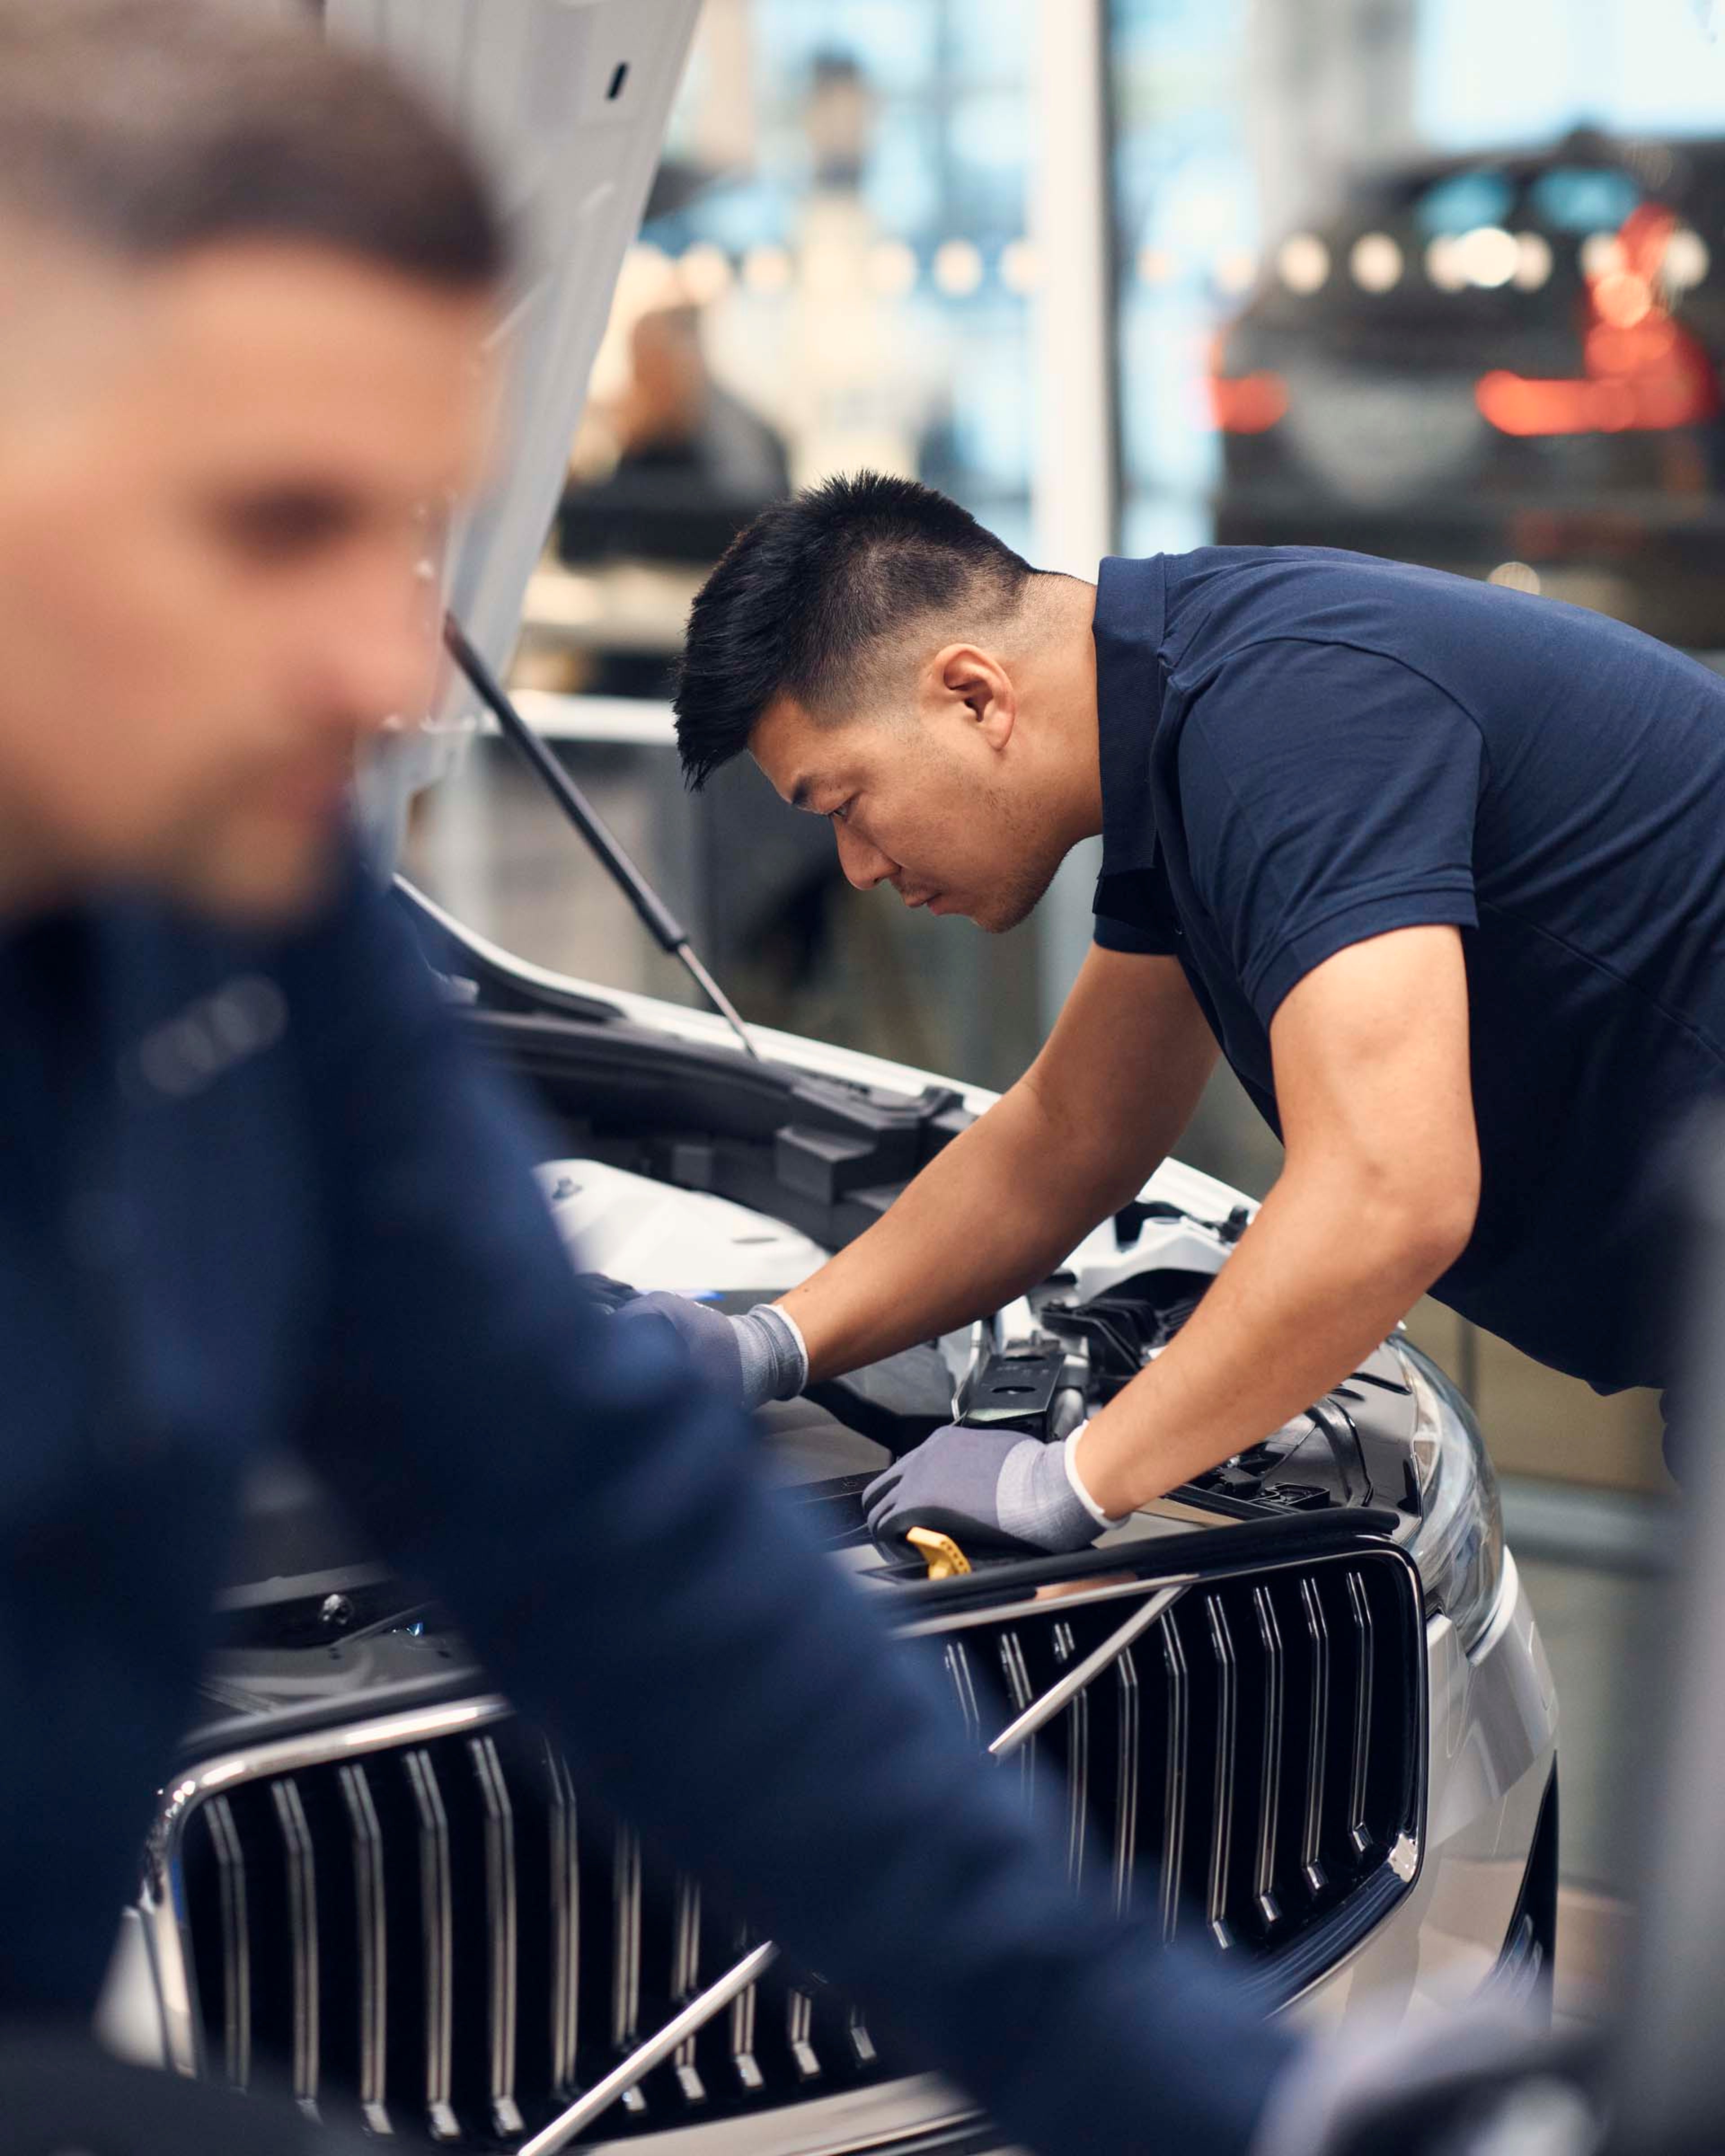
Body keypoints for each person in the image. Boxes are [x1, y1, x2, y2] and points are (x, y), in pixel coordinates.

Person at [0, 4, 1307, 2152]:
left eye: (410, 537)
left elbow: (615, 1544)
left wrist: (1239, 2098)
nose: (387, 663)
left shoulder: (258, 938)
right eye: (275, 520)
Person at [658, 469, 1725, 1555]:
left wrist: (1077, 1477)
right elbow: (1072, 1132)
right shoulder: (1189, 721)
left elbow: (1388, 1192)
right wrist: (772, 1344)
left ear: (974, 695)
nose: (856, 867)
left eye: (846, 803)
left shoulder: (1285, 715)